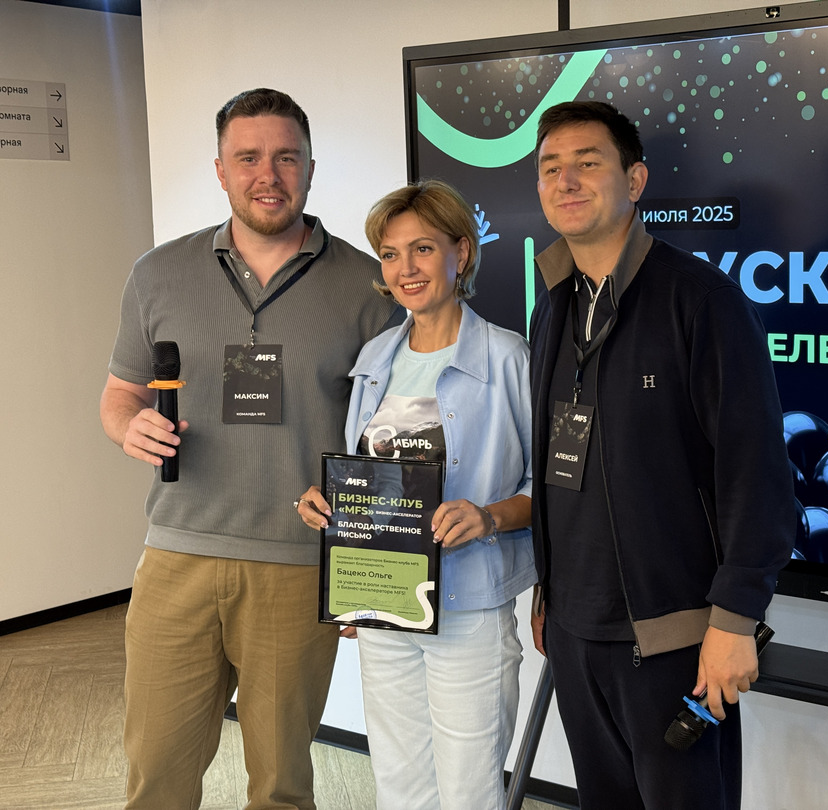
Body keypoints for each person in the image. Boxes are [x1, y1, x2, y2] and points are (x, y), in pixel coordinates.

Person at [99, 88, 398, 810]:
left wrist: (370, 575)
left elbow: (388, 446)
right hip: (177, 559)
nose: (269, 175)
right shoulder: (157, 273)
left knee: (281, 786)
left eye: (286, 157)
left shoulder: (370, 288)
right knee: (156, 777)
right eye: (248, 158)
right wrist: (128, 424)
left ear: (311, 168)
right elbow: (119, 395)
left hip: (298, 568)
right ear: (221, 170)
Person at [528, 100, 795, 809]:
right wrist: (549, 593)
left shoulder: (702, 301)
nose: (566, 181)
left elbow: (757, 475)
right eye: (551, 168)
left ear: (635, 180)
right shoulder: (552, 304)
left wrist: (734, 621)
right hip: (574, 631)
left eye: (588, 163)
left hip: (674, 636)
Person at [296, 179, 534, 810]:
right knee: (400, 786)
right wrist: (331, 512)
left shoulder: (507, 356)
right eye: (391, 253)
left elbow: (552, 489)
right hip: (385, 607)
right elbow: (364, 479)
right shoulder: (375, 357)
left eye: (423, 249)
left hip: (469, 610)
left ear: (462, 252)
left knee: (469, 790)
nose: (406, 268)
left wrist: (487, 516)